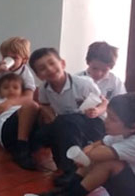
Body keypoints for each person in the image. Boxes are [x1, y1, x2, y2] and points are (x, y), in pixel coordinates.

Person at [39, 93, 135, 196]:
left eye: (112, 119)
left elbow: (95, 153)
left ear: (133, 127)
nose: (106, 121)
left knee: (108, 162)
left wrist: (85, 154)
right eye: (108, 115)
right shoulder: (124, 134)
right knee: (99, 157)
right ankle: (68, 190)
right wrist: (87, 153)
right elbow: (98, 144)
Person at [27, 48, 107, 185]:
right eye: (42, 68)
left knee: (66, 123)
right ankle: (60, 165)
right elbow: (44, 105)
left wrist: (97, 111)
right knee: (47, 131)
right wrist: (51, 118)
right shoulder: (44, 89)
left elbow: (104, 103)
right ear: (38, 76)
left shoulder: (83, 84)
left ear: (62, 63)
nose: (49, 69)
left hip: (94, 123)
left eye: (52, 63)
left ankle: (71, 171)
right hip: (67, 122)